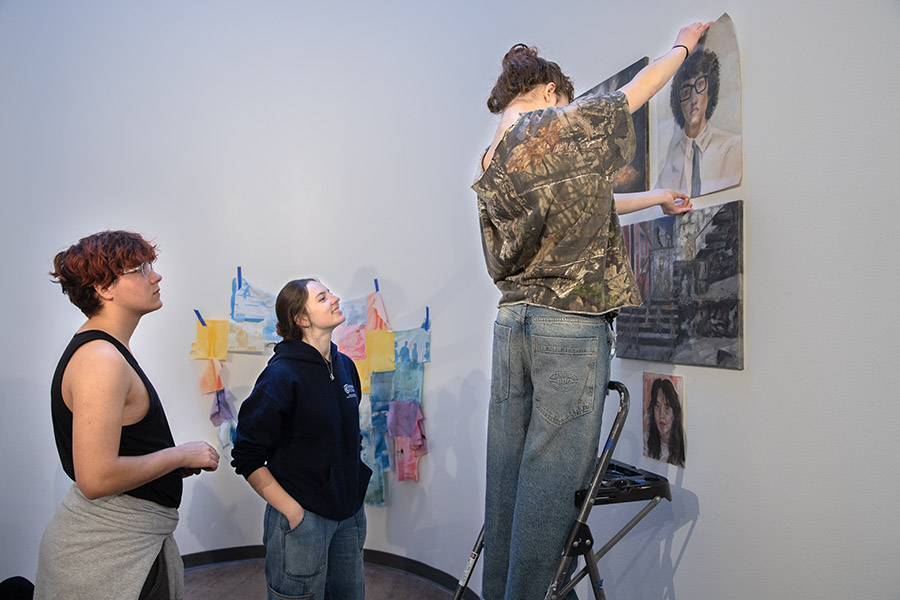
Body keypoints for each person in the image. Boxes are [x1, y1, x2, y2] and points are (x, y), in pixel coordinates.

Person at [472, 22, 710, 600]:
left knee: (507, 481)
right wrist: (682, 46)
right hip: (568, 328)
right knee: (550, 487)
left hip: (513, 324)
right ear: (551, 91)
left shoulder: (491, 157)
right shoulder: (556, 122)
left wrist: (654, 197)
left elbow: (591, 202)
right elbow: (635, 92)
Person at [36, 230, 220, 600]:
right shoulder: (100, 360)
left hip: (125, 543)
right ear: (105, 289)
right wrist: (179, 455)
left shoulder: (108, 352)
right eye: (141, 268)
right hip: (107, 553)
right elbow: (96, 477)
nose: (156, 276)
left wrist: (166, 466)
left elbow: (119, 453)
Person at [231, 279, 371, 600]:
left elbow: (349, 437)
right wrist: (294, 512)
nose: (335, 298)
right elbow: (247, 455)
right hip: (303, 520)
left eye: (330, 293)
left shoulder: (346, 366)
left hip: (349, 516)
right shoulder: (281, 376)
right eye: (323, 297)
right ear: (302, 319)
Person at [656, 48, 742, 196]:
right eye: (685, 92)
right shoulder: (668, 166)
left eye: (700, 85)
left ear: (710, 92)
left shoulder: (730, 147)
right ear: (679, 103)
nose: (693, 99)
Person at [645, 378, 686, 467]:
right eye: (657, 406)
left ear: (674, 413)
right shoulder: (647, 435)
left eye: (667, 408)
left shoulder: (682, 442)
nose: (661, 415)